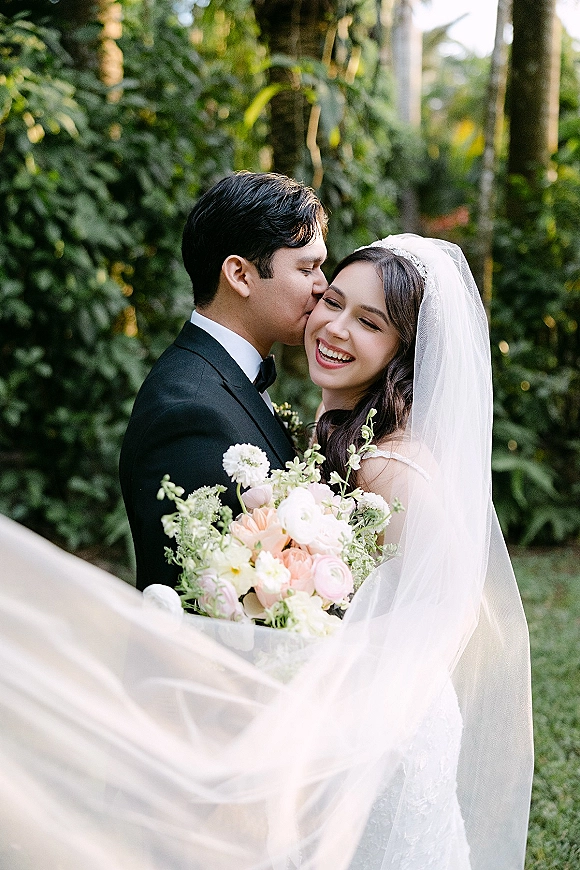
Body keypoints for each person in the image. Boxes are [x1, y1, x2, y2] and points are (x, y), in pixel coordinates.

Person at [0, 234, 533, 870]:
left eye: (369, 322)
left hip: (386, 735)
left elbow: (442, 609)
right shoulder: (341, 433)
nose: (333, 327)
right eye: (331, 299)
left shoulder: (394, 470)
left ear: (401, 352)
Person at [119, 170, 328, 591]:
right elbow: (206, 598)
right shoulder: (188, 413)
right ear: (240, 275)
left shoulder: (226, 378)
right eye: (307, 269)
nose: (323, 286)